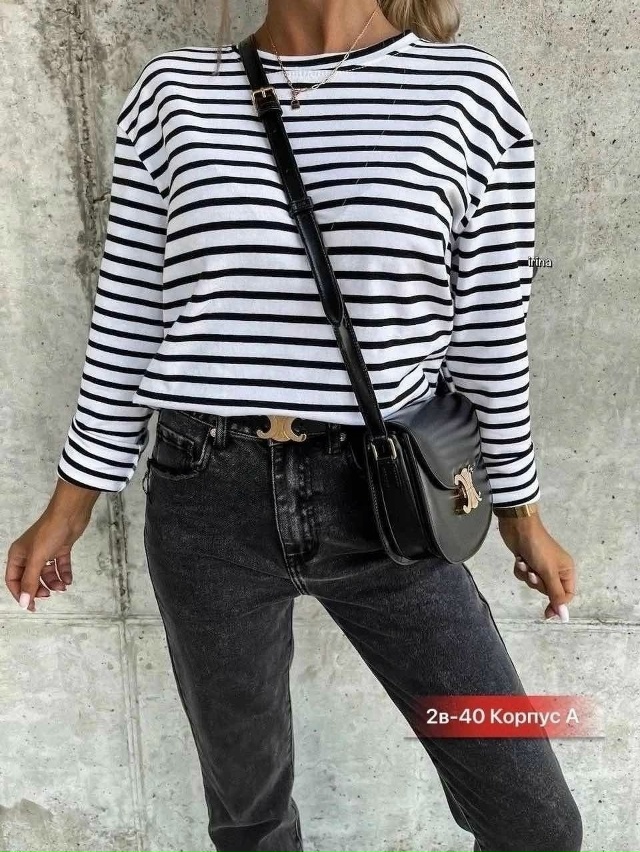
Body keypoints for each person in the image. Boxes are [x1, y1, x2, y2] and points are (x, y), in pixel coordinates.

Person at [5, 1, 583, 850]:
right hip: (205, 498)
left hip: (390, 506)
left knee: (534, 821)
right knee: (251, 818)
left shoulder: (468, 93)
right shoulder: (173, 91)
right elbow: (128, 312)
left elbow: (491, 336)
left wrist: (519, 511)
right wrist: (73, 499)